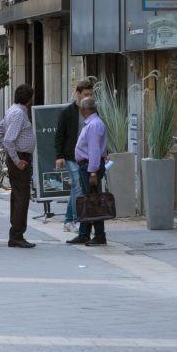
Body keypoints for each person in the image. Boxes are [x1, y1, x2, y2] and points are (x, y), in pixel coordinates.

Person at [0, 84, 37, 249]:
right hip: (21, 158)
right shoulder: (19, 113)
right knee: (22, 197)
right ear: (29, 100)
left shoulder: (11, 110)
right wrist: (16, 159)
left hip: (18, 157)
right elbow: (8, 139)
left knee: (18, 196)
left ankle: (16, 233)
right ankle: (17, 235)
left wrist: (8, 152)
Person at [67, 96, 109, 246]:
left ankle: (99, 235)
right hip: (86, 167)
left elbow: (94, 150)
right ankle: (84, 234)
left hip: (90, 168)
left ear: (84, 110)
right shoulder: (92, 123)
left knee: (93, 201)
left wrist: (93, 172)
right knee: (88, 200)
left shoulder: (94, 125)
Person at [55, 80, 95, 232]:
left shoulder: (92, 111)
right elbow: (59, 135)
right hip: (71, 156)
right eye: (85, 94)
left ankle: (68, 220)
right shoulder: (67, 112)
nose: (88, 97)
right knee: (78, 185)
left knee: (76, 187)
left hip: (87, 156)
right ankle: (78, 220)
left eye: (91, 94)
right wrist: (59, 156)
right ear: (78, 93)